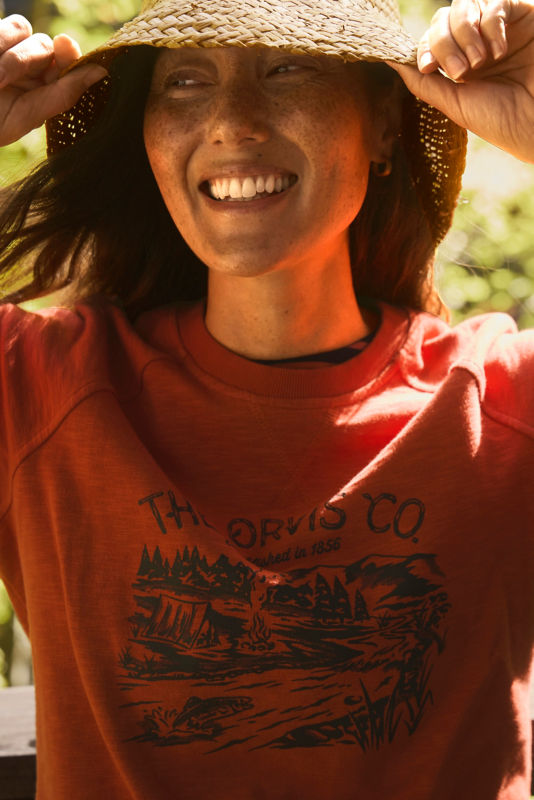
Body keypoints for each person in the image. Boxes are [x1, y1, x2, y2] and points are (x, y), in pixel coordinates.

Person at [0, 0, 533, 797]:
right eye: (183, 81)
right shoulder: (44, 390)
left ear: (386, 126)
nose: (230, 122)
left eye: (287, 69)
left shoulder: (496, 402)